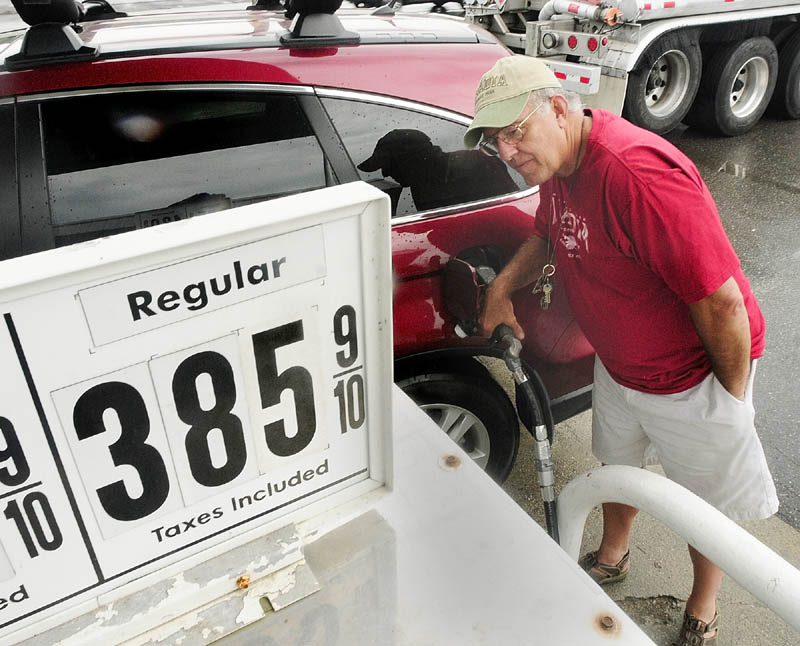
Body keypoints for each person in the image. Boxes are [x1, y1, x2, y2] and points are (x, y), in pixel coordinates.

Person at [464, 55, 778, 646]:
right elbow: (549, 232)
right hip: (621, 365)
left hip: (691, 376)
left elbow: (724, 305)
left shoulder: (637, 175)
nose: (506, 153)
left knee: (701, 506)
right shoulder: (557, 165)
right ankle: (614, 554)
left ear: (558, 110)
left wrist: (728, 402)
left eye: (514, 133)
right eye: (495, 142)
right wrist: (503, 287)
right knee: (616, 466)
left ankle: (703, 607)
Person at [358, 128, 518, 213]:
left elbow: (515, 208)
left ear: (409, 161)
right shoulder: (420, 187)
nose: (385, 173)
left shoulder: (479, 164)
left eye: (389, 165)